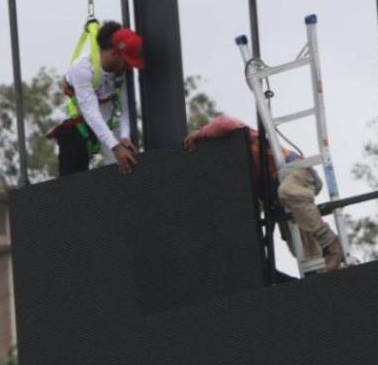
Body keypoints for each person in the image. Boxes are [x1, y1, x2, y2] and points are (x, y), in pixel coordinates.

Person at [184, 114, 345, 273]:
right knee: (302, 249)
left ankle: (332, 245)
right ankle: (336, 267)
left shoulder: (238, 135)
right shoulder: (233, 169)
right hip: (280, 200)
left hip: (293, 169)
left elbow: (226, 122)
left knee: (289, 192)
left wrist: (200, 133)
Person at [48, 20, 144, 176]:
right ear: (114, 53)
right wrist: (115, 147)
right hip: (80, 125)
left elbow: (126, 107)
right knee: (73, 181)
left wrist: (125, 137)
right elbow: (91, 112)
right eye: (127, 62)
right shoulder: (83, 68)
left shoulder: (121, 72)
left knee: (128, 165)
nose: (129, 67)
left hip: (108, 124)